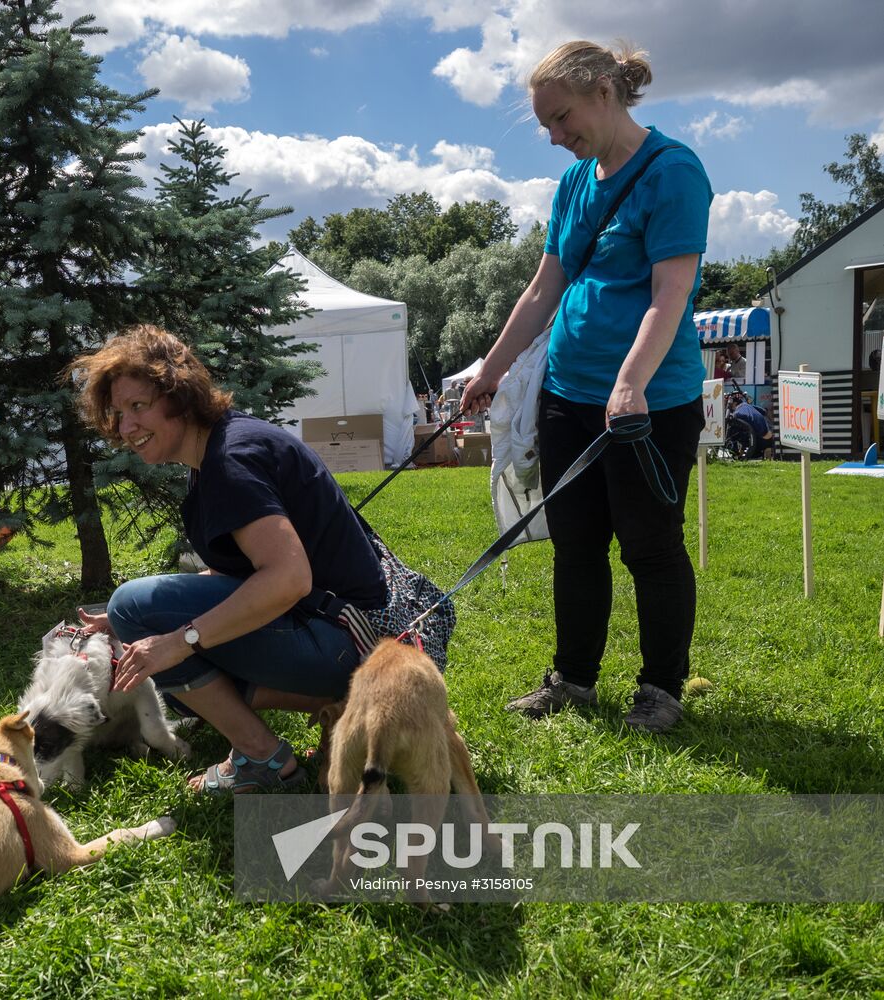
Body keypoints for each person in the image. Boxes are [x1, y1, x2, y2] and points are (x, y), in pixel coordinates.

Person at [461, 40, 712, 732]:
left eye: (560, 117)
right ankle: (571, 680)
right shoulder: (574, 183)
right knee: (574, 545)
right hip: (567, 394)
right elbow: (544, 288)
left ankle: (660, 690)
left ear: (604, 91)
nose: (553, 136)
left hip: (647, 405)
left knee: (649, 546)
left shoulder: (673, 172)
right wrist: (492, 367)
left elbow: (671, 292)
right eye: (545, 123)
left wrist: (630, 382)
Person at [68, 325, 387, 792]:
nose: (126, 426)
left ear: (179, 394)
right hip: (346, 632)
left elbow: (289, 578)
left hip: (352, 642)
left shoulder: (229, 463)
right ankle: (332, 706)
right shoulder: (220, 451)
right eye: (117, 414)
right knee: (155, 646)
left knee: (137, 610)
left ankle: (266, 758)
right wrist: (156, 632)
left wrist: (181, 638)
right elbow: (243, 573)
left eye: (138, 406)